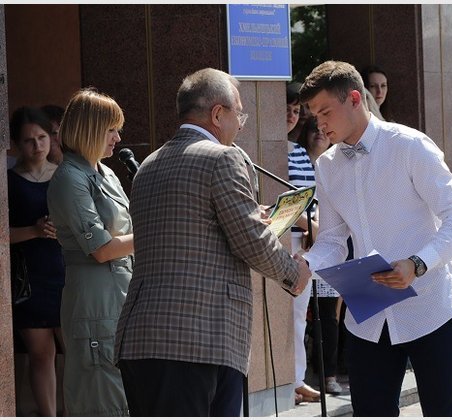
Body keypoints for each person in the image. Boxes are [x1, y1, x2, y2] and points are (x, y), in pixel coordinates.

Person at [114, 67, 311, 417]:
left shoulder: (148, 165)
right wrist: (294, 274)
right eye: (239, 114)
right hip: (200, 340)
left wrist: (248, 215)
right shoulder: (224, 157)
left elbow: (190, 228)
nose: (242, 125)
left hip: (140, 339)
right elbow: (251, 240)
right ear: (218, 114)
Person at [298, 60, 452, 416]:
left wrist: (417, 264)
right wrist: (305, 265)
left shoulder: (410, 146)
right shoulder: (327, 166)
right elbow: (332, 239)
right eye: (314, 116)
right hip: (368, 318)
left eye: (325, 112)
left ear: (354, 99)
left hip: (431, 308)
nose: (320, 124)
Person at [47, 88, 133, 416]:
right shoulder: (69, 178)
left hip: (120, 294)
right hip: (95, 301)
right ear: (90, 130)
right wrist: (155, 233)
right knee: (102, 400)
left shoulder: (105, 172)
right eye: (111, 129)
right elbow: (100, 249)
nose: (118, 138)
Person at [8, 107, 65, 416]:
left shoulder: (65, 175)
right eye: (29, 141)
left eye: (42, 137)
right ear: (16, 144)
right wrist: (34, 230)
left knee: (78, 350)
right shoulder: (9, 182)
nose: (38, 146)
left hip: (66, 270)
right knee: (41, 354)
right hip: (29, 277)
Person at [289, 117, 342, 400]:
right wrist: (308, 224)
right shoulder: (290, 153)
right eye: (315, 129)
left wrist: (314, 225)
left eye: (295, 110)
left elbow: (315, 205)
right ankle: (291, 380)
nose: (290, 114)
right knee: (292, 314)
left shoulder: (307, 157)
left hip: (313, 243)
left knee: (305, 313)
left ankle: (298, 378)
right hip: (290, 238)